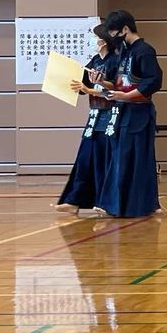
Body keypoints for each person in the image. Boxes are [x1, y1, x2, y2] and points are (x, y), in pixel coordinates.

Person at [96, 10, 163, 218]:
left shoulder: (145, 51)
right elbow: (117, 83)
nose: (113, 39)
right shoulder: (124, 53)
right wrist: (101, 82)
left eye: (115, 33)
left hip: (139, 115)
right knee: (119, 158)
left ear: (126, 29)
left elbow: (153, 82)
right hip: (122, 113)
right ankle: (115, 203)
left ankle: (139, 205)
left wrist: (126, 96)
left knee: (137, 160)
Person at [55, 25, 122, 214]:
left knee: (104, 159)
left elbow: (114, 90)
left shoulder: (116, 61)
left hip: (109, 116)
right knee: (85, 157)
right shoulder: (94, 61)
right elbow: (83, 85)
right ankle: (74, 199)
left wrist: (90, 89)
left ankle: (104, 201)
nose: (92, 41)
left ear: (103, 41)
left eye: (94, 38)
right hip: (94, 115)